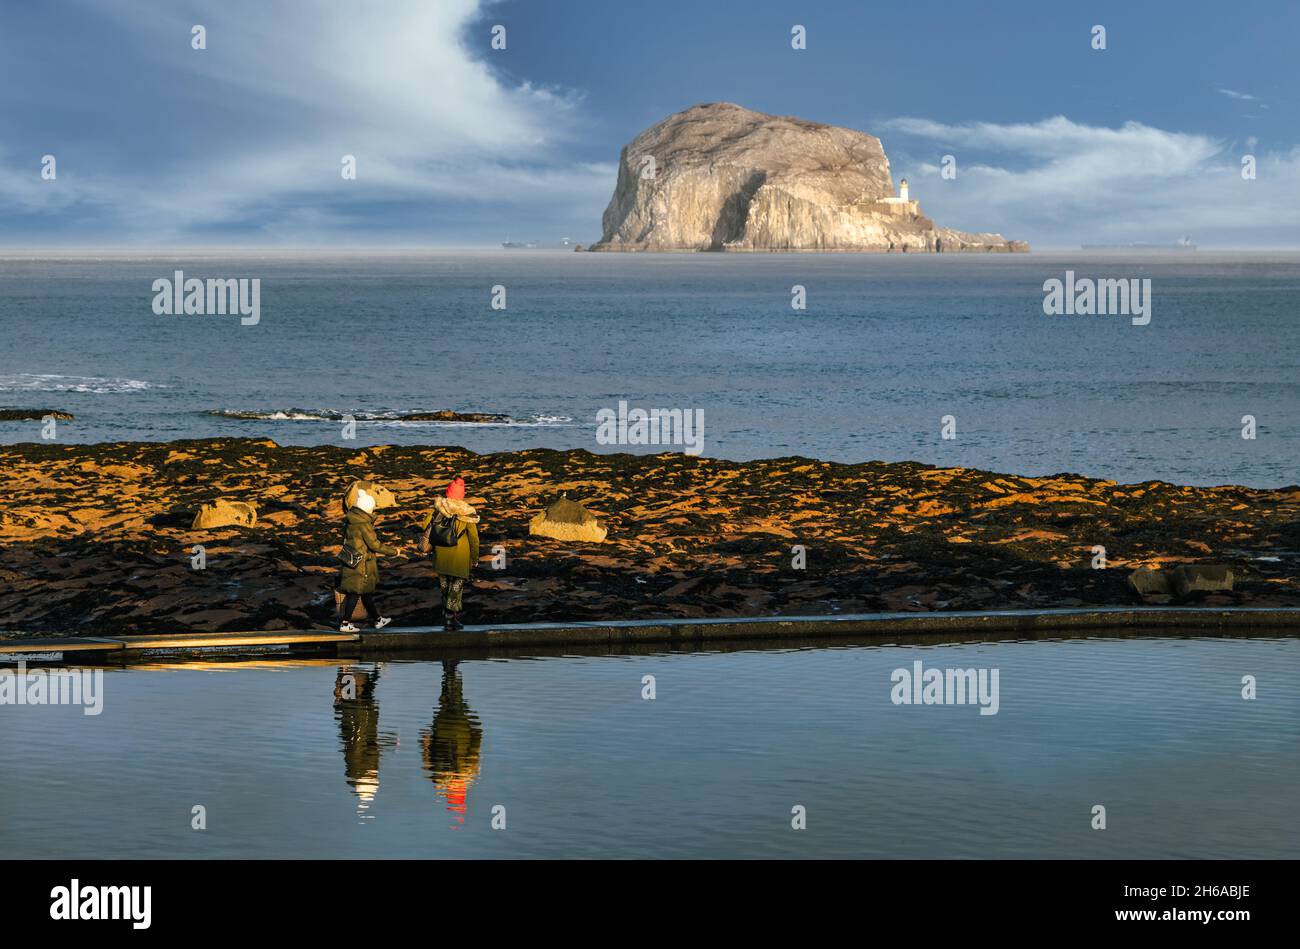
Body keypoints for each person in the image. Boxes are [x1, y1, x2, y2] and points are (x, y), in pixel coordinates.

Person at [420, 477, 480, 630]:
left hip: (441, 557)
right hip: (460, 558)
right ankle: (449, 618)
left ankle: (448, 617)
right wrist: (474, 558)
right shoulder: (466, 514)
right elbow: (474, 539)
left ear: (448, 493)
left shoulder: (438, 509)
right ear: (462, 495)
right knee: (456, 590)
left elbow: (425, 526)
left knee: (445, 588)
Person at [338, 488, 396, 632]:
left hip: (352, 559)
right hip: (362, 563)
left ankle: (377, 620)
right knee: (355, 593)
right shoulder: (363, 524)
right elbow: (374, 544)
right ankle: (345, 624)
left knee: (365, 593)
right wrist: (394, 551)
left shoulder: (351, 520)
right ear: (367, 508)